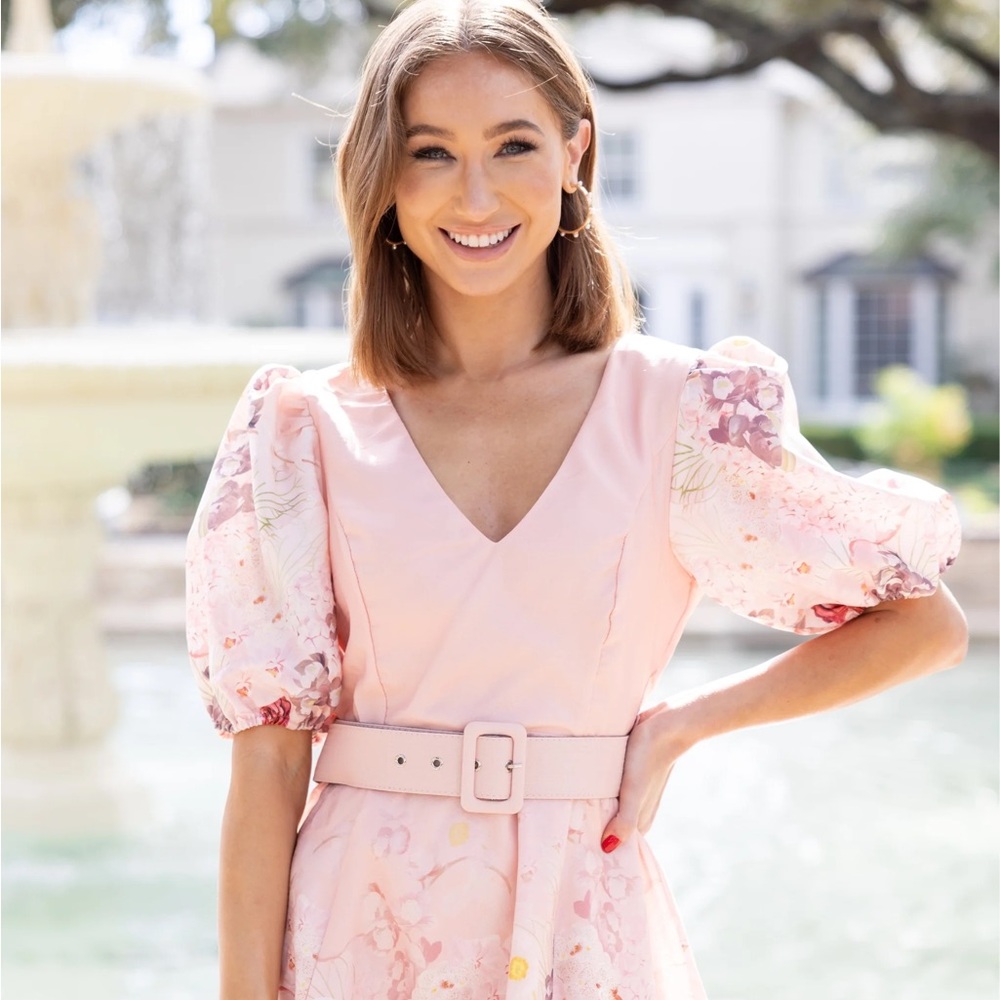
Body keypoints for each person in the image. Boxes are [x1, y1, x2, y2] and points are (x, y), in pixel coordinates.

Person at [185, 0, 967, 997]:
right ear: (383, 176)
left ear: (573, 153)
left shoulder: (681, 414)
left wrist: (683, 723)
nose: (475, 195)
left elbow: (922, 624)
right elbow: (265, 767)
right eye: (431, 153)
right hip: (357, 929)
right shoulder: (301, 432)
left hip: (583, 926)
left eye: (513, 144)